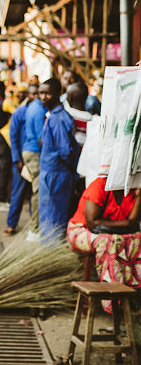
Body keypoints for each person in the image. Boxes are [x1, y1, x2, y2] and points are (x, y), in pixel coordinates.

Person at [67, 177, 141, 311]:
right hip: (80, 231)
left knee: (136, 240)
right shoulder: (100, 185)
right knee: (109, 243)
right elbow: (92, 223)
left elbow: (133, 223)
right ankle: (113, 302)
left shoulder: (134, 191)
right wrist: (127, 225)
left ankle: (132, 295)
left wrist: (139, 196)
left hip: (115, 235)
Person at [38, 78, 80, 239]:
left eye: (48, 93)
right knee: (48, 216)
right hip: (51, 173)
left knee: (54, 219)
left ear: (58, 94)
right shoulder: (52, 116)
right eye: (41, 93)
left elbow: (65, 151)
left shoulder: (59, 119)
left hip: (57, 174)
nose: (43, 97)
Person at [4, 84, 38, 236]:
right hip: (22, 160)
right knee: (18, 192)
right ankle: (12, 224)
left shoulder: (43, 112)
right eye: (34, 94)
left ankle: (34, 224)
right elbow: (13, 137)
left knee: (35, 194)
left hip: (37, 159)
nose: (37, 97)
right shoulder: (20, 112)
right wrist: (17, 159)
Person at [21, 82, 48, 231]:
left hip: (29, 150)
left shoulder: (33, 107)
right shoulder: (38, 110)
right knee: (37, 191)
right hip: (34, 151)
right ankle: (35, 227)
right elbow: (41, 138)